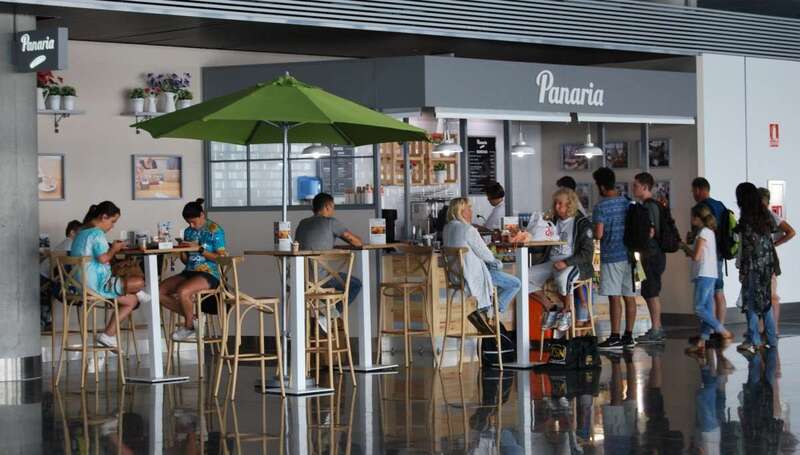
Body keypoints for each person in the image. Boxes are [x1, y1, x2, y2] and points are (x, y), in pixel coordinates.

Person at [70, 201, 146, 349]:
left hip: (79, 284)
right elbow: (103, 258)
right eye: (112, 221)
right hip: (96, 284)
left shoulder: (81, 233)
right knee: (139, 282)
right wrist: (115, 249)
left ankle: (108, 335)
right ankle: (138, 290)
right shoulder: (96, 233)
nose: (112, 226)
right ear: (104, 217)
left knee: (132, 300)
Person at [443, 197, 521, 333]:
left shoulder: (447, 228)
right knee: (515, 283)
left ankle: (487, 311)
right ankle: (492, 312)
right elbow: (486, 255)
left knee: (493, 270)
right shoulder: (468, 229)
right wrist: (498, 264)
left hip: (456, 277)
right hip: (472, 276)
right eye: (469, 208)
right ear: (461, 211)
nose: (471, 212)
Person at [159, 199, 227, 342]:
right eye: (188, 222)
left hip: (210, 273)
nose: (191, 225)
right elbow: (187, 260)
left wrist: (200, 249)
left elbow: (221, 259)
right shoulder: (188, 232)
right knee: (158, 291)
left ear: (202, 215)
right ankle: (193, 317)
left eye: (193, 222)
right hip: (189, 271)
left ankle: (189, 326)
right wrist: (182, 250)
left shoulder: (215, 230)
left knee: (183, 291)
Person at [295, 192, 363, 331]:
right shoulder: (331, 222)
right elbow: (356, 242)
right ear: (327, 206)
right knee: (356, 284)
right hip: (321, 280)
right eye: (333, 207)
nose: (333, 211)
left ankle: (324, 313)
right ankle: (329, 315)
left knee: (326, 281)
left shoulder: (302, 223)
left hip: (300, 280)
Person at [529, 188, 593, 333]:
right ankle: (551, 308)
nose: (556, 206)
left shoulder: (582, 223)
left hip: (574, 263)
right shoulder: (552, 221)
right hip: (552, 262)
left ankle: (567, 312)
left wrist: (566, 263)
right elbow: (543, 245)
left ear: (569, 205)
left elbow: (587, 253)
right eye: (555, 203)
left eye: (560, 203)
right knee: (522, 279)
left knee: (563, 278)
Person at [592, 167, 637, 350]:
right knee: (630, 296)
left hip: (611, 256)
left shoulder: (601, 207)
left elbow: (599, 234)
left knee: (614, 298)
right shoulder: (627, 202)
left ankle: (615, 336)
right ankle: (629, 336)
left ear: (602, 187)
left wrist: (592, 232)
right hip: (629, 255)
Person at [682, 204, 732, 354]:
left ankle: (723, 331)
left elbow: (696, 256)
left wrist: (685, 248)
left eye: (692, 217)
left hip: (703, 274)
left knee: (699, 308)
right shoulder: (709, 231)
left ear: (698, 218)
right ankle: (701, 343)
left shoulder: (703, 232)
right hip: (710, 274)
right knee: (708, 309)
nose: (691, 220)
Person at [735, 182, 778, 355]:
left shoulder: (746, 218)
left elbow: (747, 247)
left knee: (751, 303)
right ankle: (772, 339)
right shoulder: (764, 213)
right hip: (767, 264)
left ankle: (755, 340)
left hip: (753, 265)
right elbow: (773, 231)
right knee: (765, 302)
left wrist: (743, 270)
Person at [632, 173, 667, 344]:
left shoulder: (648, 207)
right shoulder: (654, 205)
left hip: (652, 255)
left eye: (636, 185)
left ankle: (656, 329)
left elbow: (651, 231)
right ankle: (656, 327)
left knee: (652, 292)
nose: (634, 188)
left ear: (645, 187)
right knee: (649, 291)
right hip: (654, 254)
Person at [691, 177, 728, 326]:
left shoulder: (701, 208)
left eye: (693, 191)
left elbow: (697, 237)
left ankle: (716, 329)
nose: (693, 194)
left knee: (707, 298)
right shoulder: (720, 206)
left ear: (698, 189)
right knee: (719, 292)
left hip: (708, 259)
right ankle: (720, 325)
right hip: (720, 254)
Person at [759, 187, 795, 334]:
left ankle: (773, 329)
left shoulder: (771, 216)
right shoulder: (763, 217)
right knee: (763, 295)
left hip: (767, 260)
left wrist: (775, 244)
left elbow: (791, 232)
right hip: (764, 259)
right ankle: (766, 328)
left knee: (771, 295)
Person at [40, 219, 82, 330]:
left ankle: (45, 322)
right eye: (80, 233)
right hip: (45, 277)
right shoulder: (70, 243)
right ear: (72, 233)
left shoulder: (65, 243)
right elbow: (69, 265)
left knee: (47, 298)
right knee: (46, 297)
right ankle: (44, 323)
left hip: (46, 275)